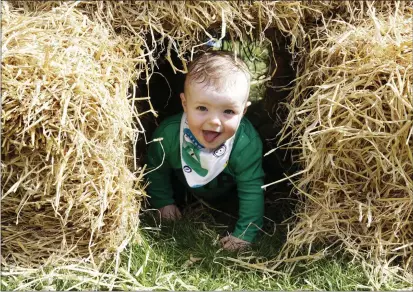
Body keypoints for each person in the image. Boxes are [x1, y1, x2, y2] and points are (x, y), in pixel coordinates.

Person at [145, 51, 264, 251]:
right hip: (184, 188)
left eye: (228, 111)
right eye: (202, 108)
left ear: (243, 111)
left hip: (228, 192)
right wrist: (163, 202)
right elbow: (156, 170)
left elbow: (252, 188)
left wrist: (245, 234)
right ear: (185, 104)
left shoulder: (246, 144)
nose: (214, 121)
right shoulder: (169, 136)